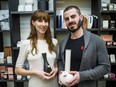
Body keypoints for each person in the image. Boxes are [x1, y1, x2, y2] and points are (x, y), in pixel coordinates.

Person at [58, 5, 111, 87]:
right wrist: (60, 74)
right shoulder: (63, 42)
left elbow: (105, 67)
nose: (70, 20)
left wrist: (81, 76)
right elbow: (60, 61)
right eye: (67, 19)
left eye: (73, 17)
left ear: (81, 17)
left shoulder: (96, 40)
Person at [15, 9, 59, 87]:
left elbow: (55, 62)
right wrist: (35, 72)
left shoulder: (54, 42)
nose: (43, 24)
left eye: (46, 21)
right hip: (35, 84)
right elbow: (17, 70)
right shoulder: (26, 44)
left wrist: (56, 69)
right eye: (40, 21)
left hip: (53, 83)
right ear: (33, 22)